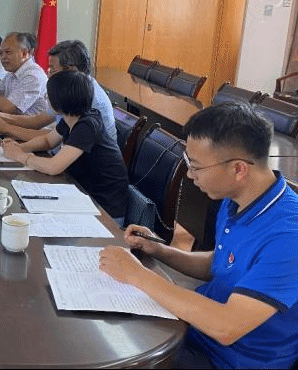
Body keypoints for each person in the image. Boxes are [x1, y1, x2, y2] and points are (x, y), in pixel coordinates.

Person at [99, 103, 298, 369]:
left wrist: (137, 274)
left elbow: (226, 326)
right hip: (197, 332)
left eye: (196, 166)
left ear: (239, 169)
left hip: (230, 359)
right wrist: (159, 250)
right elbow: (222, 263)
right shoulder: (236, 198)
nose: (190, 175)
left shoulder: (289, 236)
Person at [1, 70, 129, 219]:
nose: (46, 97)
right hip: (83, 196)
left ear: (61, 100)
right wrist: (21, 147)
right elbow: (47, 140)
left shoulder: (87, 126)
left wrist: (20, 156)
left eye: (49, 95)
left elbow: (53, 167)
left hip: (104, 210)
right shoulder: (71, 118)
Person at [0, 40, 116, 142]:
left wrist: (5, 127)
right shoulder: (71, 89)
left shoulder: (85, 96)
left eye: (53, 69)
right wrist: (0, 116)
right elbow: (38, 121)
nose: (49, 74)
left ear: (71, 70)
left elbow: (52, 138)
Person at [0, 32, 47, 115]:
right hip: (11, 120)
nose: (3, 57)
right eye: (1, 53)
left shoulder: (33, 76)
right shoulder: (12, 72)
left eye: (8, 52)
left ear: (24, 53)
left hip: (27, 123)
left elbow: (10, 108)